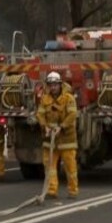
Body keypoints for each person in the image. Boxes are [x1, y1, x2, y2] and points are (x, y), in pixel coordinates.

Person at [35, 71, 79, 200]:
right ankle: (51, 191)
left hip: (66, 138)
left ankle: (73, 190)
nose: (52, 87)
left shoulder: (68, 98)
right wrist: (45, 126)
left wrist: (62, 126)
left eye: (55, 84)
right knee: (50, 166)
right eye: (50, 85)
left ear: (60, 84)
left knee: (70, 167)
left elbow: (72, 115)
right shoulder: (45, 98)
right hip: (50, 139)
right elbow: (40, 114)